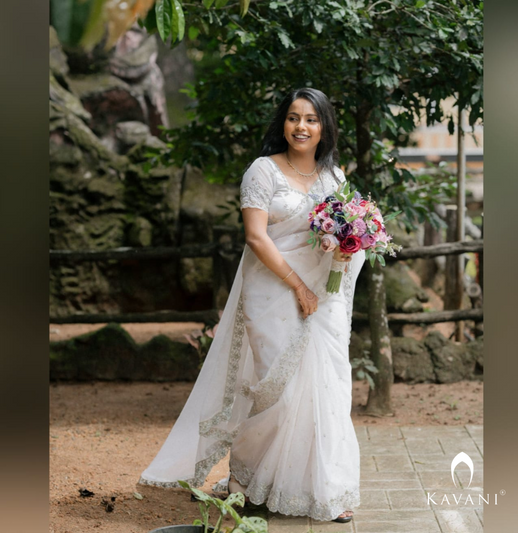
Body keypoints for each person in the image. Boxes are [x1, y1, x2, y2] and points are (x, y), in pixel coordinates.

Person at [139, 88, 367, 523]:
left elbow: (343, 237)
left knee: (327, 388)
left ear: (324, 128)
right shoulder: (263, 172)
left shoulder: (334, 178)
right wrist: (298, 285)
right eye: (294, 118)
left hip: (325, 298)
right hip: (273, 291)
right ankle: (245, 480)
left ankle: (325, 489)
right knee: (274, 389)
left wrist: (345, 252)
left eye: (312, 119)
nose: (302, 127)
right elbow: (257, 237)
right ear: (282, 123)